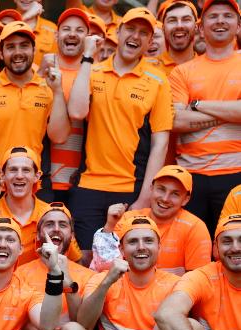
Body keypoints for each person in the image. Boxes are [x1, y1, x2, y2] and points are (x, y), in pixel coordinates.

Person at [67, 8, 173, 261]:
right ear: (118, 31)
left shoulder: (157, 81)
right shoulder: (92, 71)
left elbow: (161, 143)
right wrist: (87, 58)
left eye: (143, 33)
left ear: (149, 42)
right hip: (89, 184)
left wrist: (144, 197)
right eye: (131, 29)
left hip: (131, 188)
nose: (135, 36)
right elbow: (77, 111)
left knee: (125, 263)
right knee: (84, 261)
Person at [169, 0, 241, 234]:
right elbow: (176, 120)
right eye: (213, 16)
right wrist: (230, 112)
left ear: (238, 25)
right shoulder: (182, 71)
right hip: (191, 177)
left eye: (227, 16)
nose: (220, 20)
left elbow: (185, 114)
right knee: (195, 249)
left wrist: (197, 104)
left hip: (236, 173)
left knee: (234, 247)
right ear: (200, 28)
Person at [0, 20, 69, 199]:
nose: (18, 52)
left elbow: (59, 136)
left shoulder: (50, 88)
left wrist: (57, 91)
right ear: (2, 54)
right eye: (11, 47)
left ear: (34, 51)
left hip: (37, 185)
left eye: (24, 46)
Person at [16, 203, 95, 330]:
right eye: (49, 224)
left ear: (72, 234)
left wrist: (64, 274)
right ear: (38, 234)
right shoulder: (20, 274)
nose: (56, 229)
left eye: (63, 224)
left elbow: (83, 326)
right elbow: (24, 328)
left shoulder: (88, 276)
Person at [0, 146, 82, 267]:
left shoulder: (52, 215)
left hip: (39, 283)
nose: (19, 176)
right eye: (13, 169)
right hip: (0, 283)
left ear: (37, 176)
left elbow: (76, 261)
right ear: (2, 176)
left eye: (26, 170)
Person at [91, 166, 211, 276]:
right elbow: (103, 268)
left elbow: (198, 280)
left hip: (174, 296)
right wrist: (109, 226)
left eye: (175, 194)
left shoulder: (195, 227)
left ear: (185, 199)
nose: (165, 198)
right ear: (151, 189)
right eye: (161, 189)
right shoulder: (128, 219)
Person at [48, 7, 91, 202]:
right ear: (57, 35)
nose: (72, 34)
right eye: (66, 29)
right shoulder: (41, 72)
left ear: (88, 37)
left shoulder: (95, 74)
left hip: (82, 179)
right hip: (44, 177)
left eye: (80, 30)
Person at [157, 0, 197, 74]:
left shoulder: (210, 69)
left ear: (196, 27)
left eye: (186, 20)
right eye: (172, 20)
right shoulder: (148, 67)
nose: (179, 26)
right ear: (163, 29)